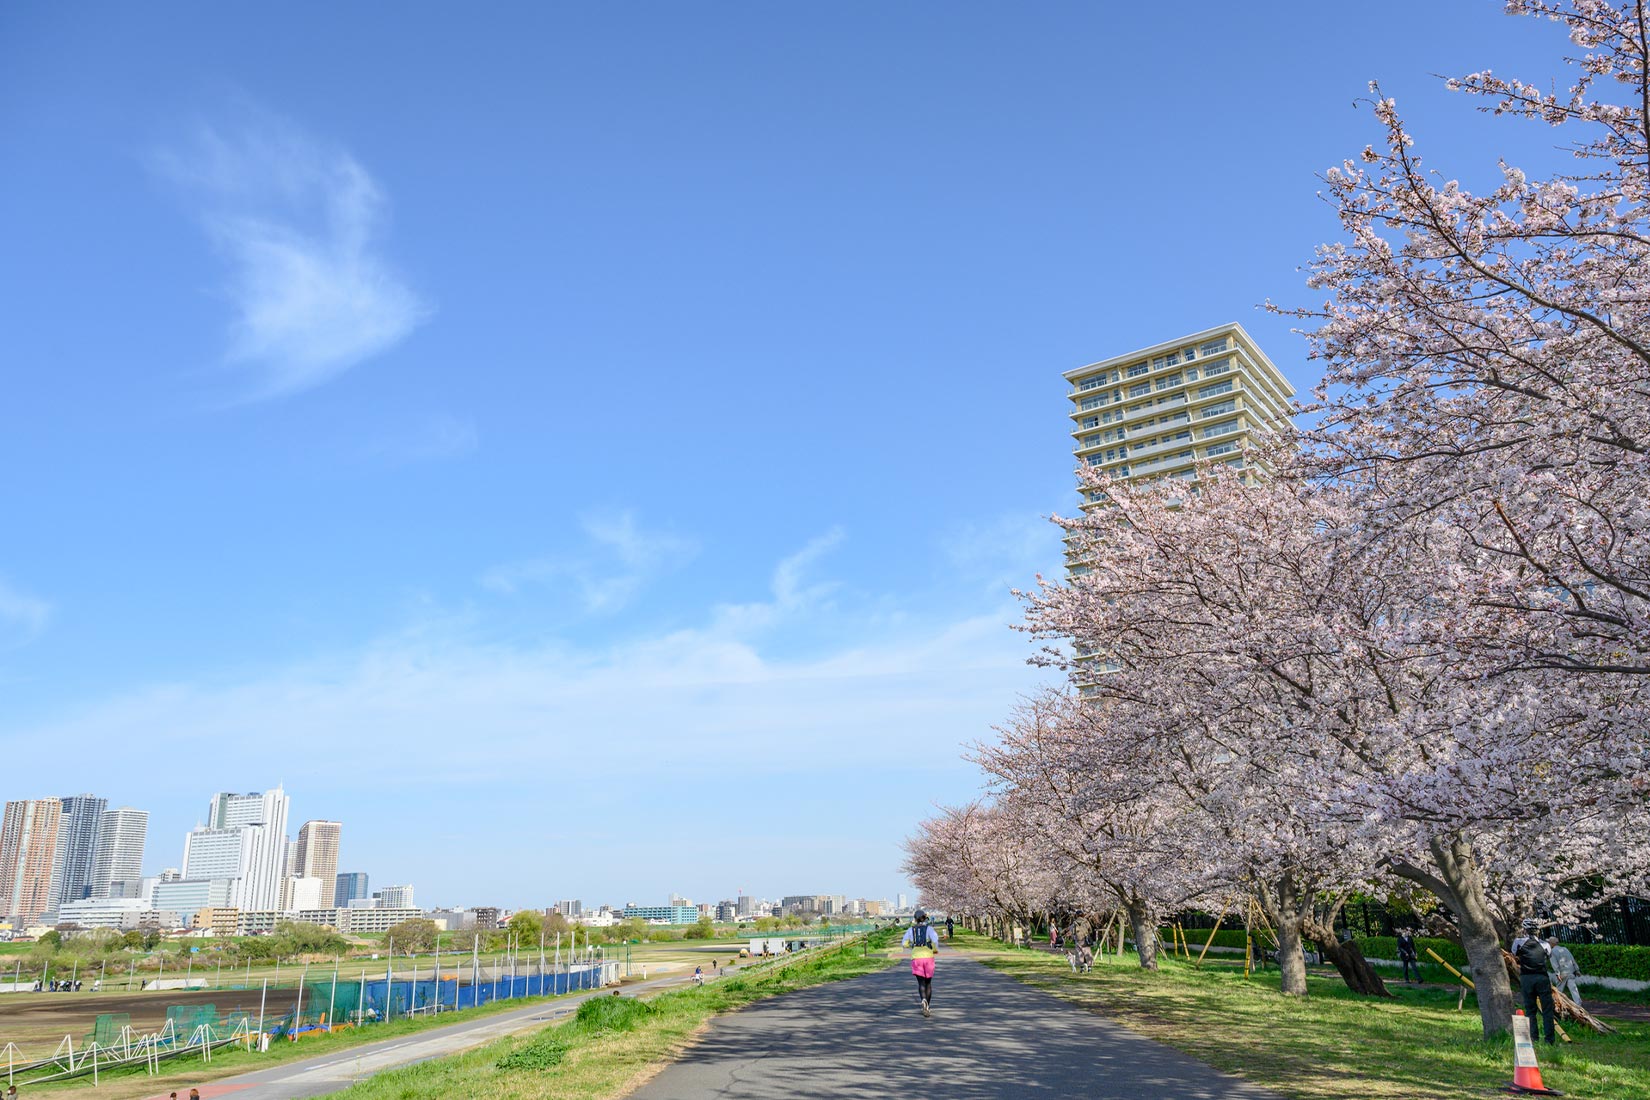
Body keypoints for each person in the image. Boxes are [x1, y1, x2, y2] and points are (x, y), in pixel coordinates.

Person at [1514, 926, 1556, 1043]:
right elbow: (1548, 956)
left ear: (1524, 930)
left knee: (1530, 1009)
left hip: (1527, 977)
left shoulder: (1518, 942)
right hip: (1542, 977)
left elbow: (1515, 954)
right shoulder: (1545, 944)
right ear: (1538, 931)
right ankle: (1550, 1039)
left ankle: (1533, 1038)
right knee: (1547, 1010)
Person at [902, 909, 941, 1017]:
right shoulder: (929, 929)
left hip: (916, 958)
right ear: (925, 918)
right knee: (928, 983)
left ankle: (923, 999)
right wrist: (934, 949)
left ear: (915, 919)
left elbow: (904, 943)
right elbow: (935, 941)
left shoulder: (911, 930)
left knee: (921, 983)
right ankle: (927, 1005)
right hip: (928, 957)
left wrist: (912, 945)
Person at [1547, 935, 1583, 1008]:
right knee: (1573, 988)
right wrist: (1577, 969)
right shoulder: (1565, 949)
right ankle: (1578, 1004)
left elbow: (1555, 964)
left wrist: (1557, 974)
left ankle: (1556, 1004)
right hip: (1570, 971)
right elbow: (1572, 959)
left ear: (1551, 943)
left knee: (1559, 990)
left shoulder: (1552, 952)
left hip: (1562, 973)